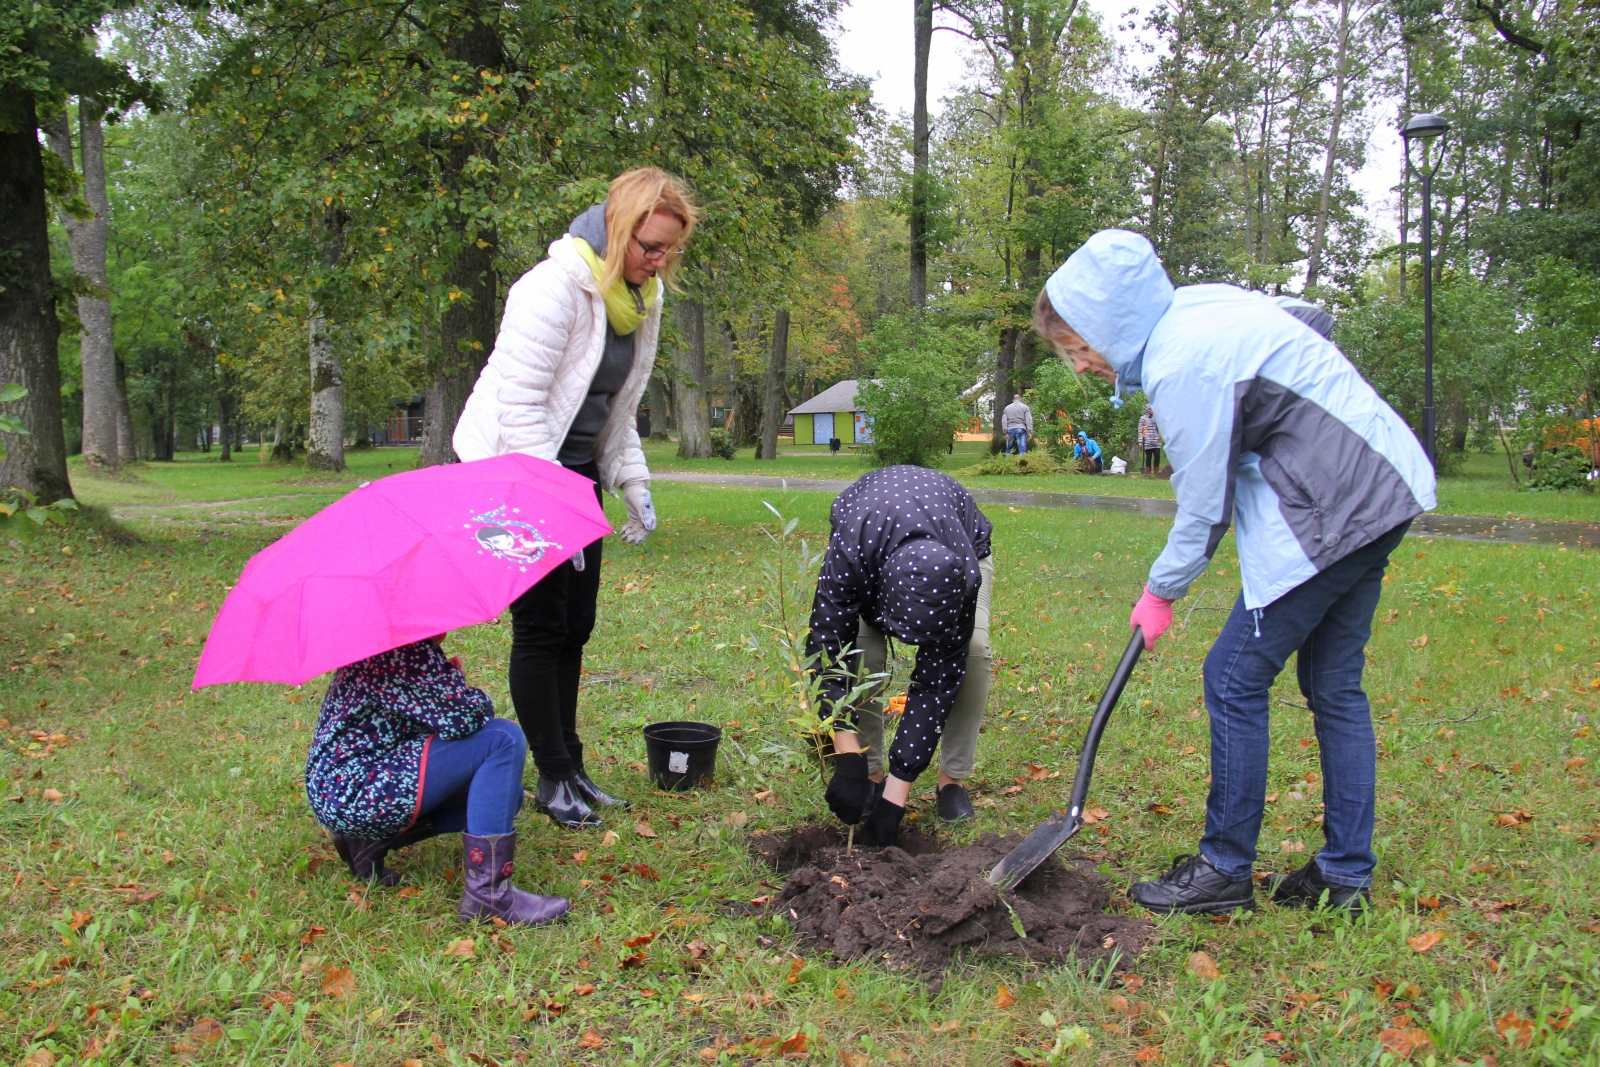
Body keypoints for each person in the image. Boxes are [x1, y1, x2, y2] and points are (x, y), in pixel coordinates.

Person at [1035, 230, 1435, 915]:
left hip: (1331, 512)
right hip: (1383, 483)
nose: (1086, 367)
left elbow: (1202, 507)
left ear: (1106, 326)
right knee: (1334, 683)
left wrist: (1159, 592)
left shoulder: (1181, 359)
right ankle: (1345, 874)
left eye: (1079, 349)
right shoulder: (1200, 307)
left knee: (1233, 675)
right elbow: (1310, 318)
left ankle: (1223, 869)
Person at [454, 168, 698, 829]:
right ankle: (551, 775)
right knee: (541, 626)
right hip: (513, 471)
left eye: (671, 248)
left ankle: (572, 764)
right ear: (619, 228)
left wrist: (633, 481)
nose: (660, 260)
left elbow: (614, 408)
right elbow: (521, 405)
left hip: (575, 473)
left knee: (577, 625)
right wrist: (544, 505)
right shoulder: (552, 288)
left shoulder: (643, 298)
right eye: (650, 246)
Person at [305, 637, 568, 926]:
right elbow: (465, 718)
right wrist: (455, 683)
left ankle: (365, 841)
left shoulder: (379, 646)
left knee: (505, 797)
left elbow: (426, 722)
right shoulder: (405, 653)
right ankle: (489, 897)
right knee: (502, 739)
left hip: (339, 789)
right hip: (360, 788)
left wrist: (441, 686)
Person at [808, 466, 996, 843]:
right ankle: (870, 774)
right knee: (861, 651)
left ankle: (951, 782)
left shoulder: (964, 575)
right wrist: (848, 758)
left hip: (957, 541)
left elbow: (936, 681)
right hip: (869, 542)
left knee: (973, 654)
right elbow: (828, 652)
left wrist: (898, 799)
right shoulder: (849, 557)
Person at [1138, 406, 1162, 474]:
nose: (1153, 410)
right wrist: (1141, 440)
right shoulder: (1143, 419)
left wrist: (1159, 437)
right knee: (1149, 456)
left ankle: (1156, 472)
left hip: (1156, 440)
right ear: (1148, 410)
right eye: (1152, 409)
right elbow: (1141, 430)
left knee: (1157, 456)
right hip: (1147, 441)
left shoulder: (1155, 418)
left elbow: (1158, 429)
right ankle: (1148, 472)